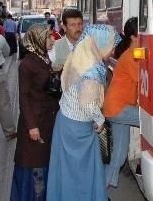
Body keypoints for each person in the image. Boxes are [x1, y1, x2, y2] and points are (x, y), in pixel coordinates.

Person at [47, 24, 121, 200]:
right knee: (81, 174)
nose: (112, 52)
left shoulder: (79, 56)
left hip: (65, 121)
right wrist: (100, 119)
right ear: (99, 43)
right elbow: (88, 105)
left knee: (65, 171)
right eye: (110, 46)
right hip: (78, 129)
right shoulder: (92, 69)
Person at [11, 24, 59, 201]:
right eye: (48, 37)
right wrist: (31, 126)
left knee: (42, 163)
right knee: (34, 166)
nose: (53, 40)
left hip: (46, 121)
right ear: (38, 39)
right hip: (35, 124)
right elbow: (23, 98)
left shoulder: (43, 59)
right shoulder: (28, 64)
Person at [103, 17, 140, 188]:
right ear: (133, 37)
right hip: (119, 108)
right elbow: (142, 80)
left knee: (119, 155)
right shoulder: (131, 55)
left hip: (115, 108)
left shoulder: (133, 53)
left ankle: (100, 190)